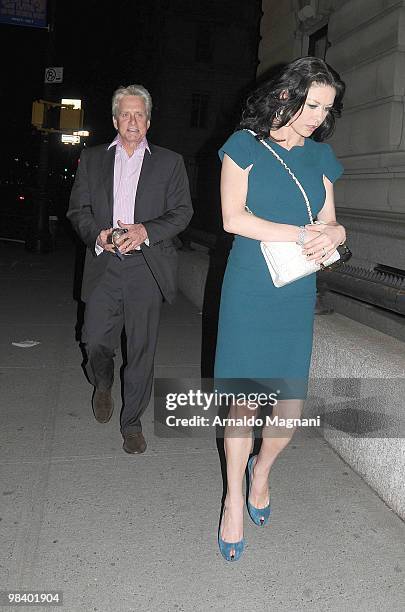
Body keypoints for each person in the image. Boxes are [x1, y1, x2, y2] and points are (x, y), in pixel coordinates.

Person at [214, 57, 346, 561]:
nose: (318, 116)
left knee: (287, 418)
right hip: (250, 288)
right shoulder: (243, 146)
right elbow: (232, 218)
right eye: (312, 104)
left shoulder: (321, 157)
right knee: (245, 404)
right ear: (286, 95)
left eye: (326, 109)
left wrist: (333, 232)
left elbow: (331, 220)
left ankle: (261, 472)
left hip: (294, 292)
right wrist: (300, 233)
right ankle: (232, 500)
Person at [67, 84, 192, 454]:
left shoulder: (170, 162)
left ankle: (132, 422)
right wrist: (99, 236)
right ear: (115, 120)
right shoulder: (92, 160)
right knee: (94, 341)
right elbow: (78, 210)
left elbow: (182, 212)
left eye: (139, 114)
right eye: (126, 114)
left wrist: (145, 231)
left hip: (146, 269)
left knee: (141, 351)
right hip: (105, 264)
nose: (133, 121)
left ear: (149, 121)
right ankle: (102, 382)